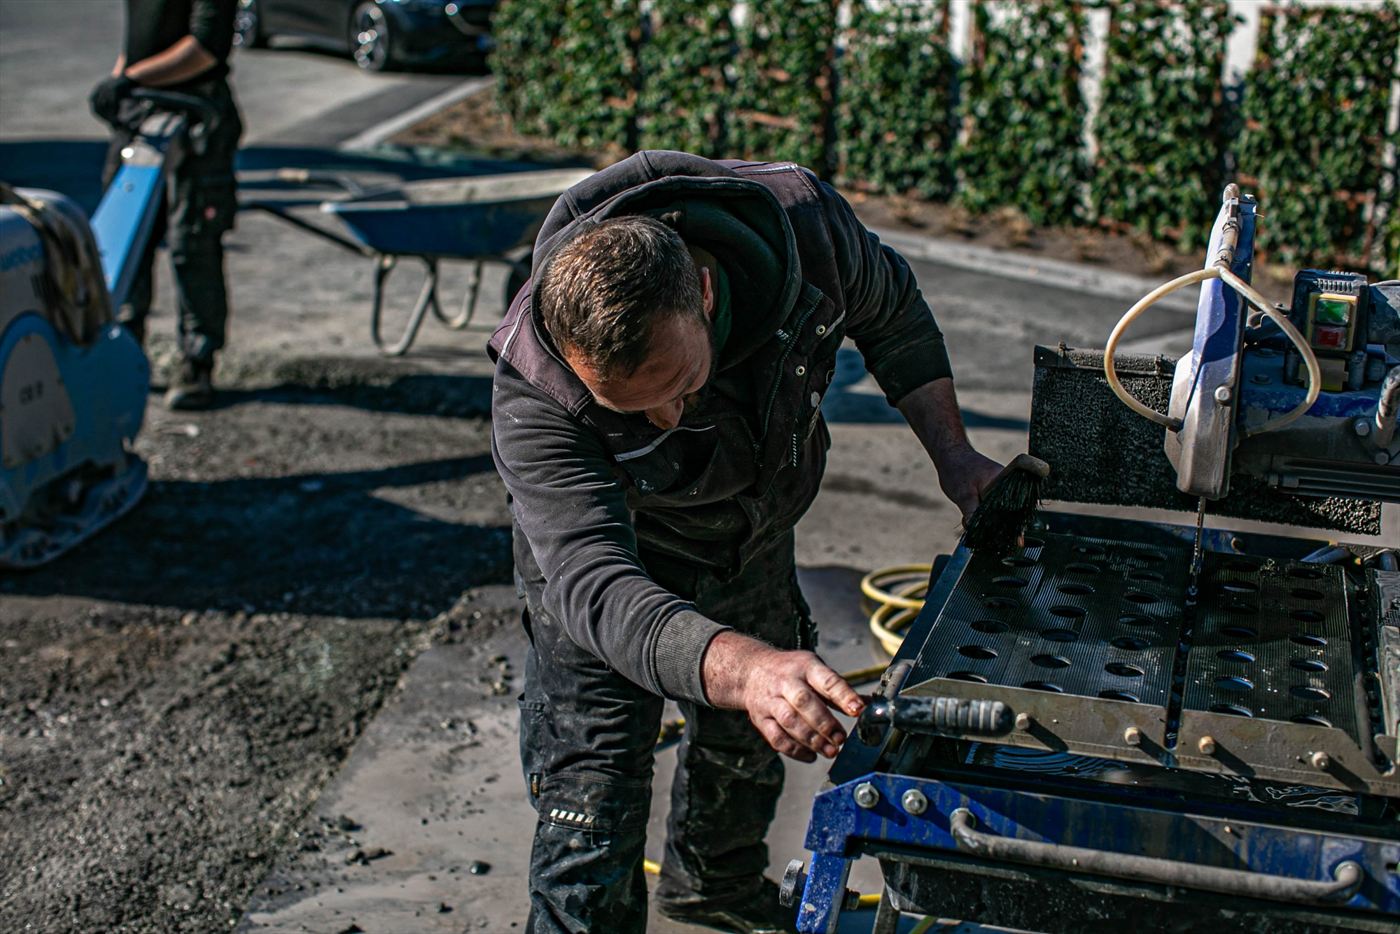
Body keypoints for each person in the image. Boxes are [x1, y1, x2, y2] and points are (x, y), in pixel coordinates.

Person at [489, 151, 1002, 934]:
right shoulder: (535, 384)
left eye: (679, 388)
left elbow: (893, 312)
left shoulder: (808, 234)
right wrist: (747, 666)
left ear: (701, 290)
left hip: (750, 530)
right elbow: (594, 584)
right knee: (587, 800)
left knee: (746, 749)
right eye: (630, 408)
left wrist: (957, 455)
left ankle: (713, 890)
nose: (664, 421)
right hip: (612, 568)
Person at [90, 0, 242, 410]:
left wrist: (132, 78)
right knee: (124, 243)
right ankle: (122, 352)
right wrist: (120, 78)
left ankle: (198, 362)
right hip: (142, 113)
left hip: (196, 117)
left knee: (190, 244)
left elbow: (205, 47)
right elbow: (138, 41)